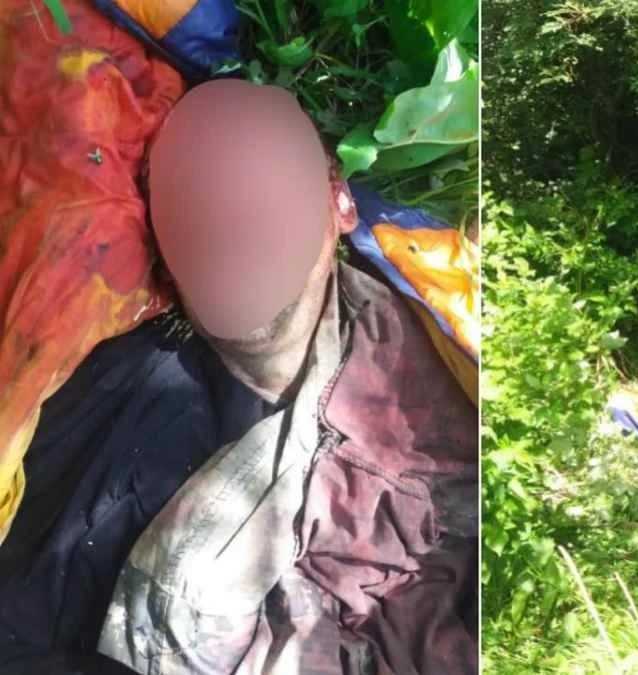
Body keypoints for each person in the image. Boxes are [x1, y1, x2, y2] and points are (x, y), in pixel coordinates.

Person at [0, 79, 478, 675]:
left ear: (340, 204)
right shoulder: (91, 376)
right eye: (192, 192)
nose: (228, 215)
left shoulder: (430, 424)